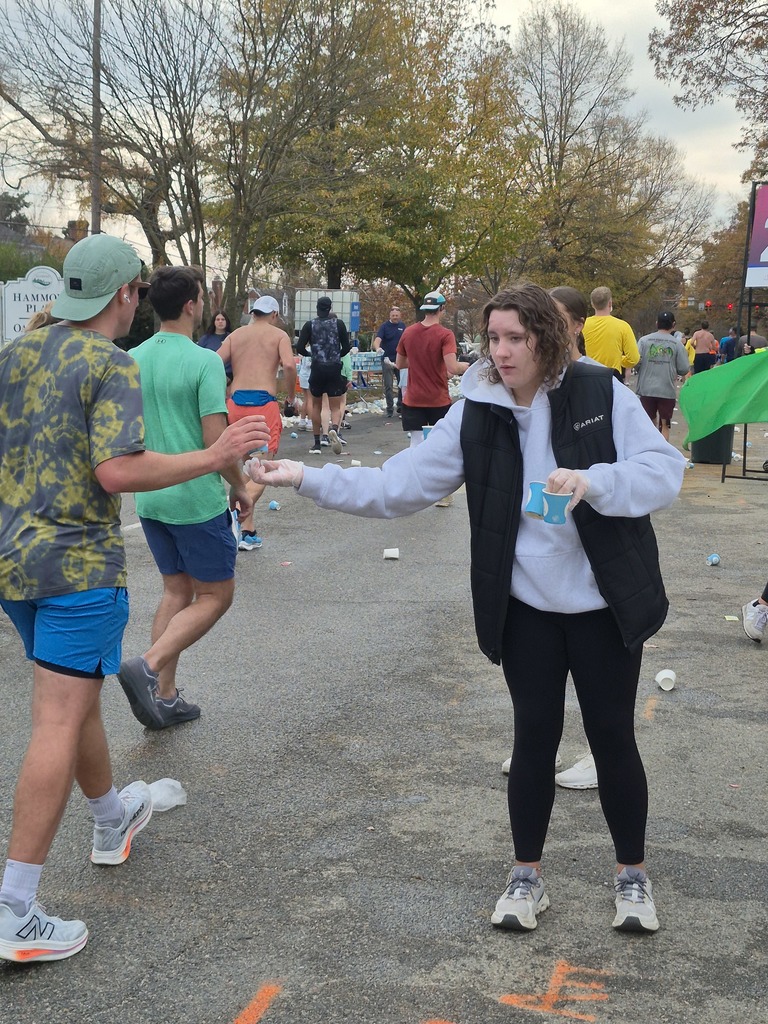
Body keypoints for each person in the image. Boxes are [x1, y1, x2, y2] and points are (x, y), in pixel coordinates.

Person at [246, 283, 686, 935]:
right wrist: (307, 478)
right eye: (495, 339)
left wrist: (596, 483)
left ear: (547, 338)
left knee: (612, 737)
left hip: (604, 602)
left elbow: (663, 470)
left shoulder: (598, 392)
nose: (501, 352)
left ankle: (632, 877)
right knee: (534, 735)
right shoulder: (476, 409)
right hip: (526, 604)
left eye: (516, 339)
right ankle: (526, 877)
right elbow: (400, 485)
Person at [0, 235, 268, 963]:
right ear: (125, 296)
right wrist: (216, 459)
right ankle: (14, 907)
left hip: (15, 563)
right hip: (78, 569)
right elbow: (118, 471)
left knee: (75, 695)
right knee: (56, 719)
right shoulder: (107, 363)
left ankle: (111, 817)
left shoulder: (15, 354)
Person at [118, 266, 262, 730]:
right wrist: (241, 488)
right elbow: (217, 442)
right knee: (216, 595)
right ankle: (150, 664)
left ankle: (164, 696)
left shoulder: (133, 357)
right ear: (190, 305)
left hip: (151, 497)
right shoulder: (203, 362)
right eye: (201, 297)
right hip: (195, 500)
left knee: (176, 590)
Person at [217, 294, 297, 551]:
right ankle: (231, 519)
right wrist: (292, 397)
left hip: (235, 405)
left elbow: (213, 362)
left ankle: (247, 531)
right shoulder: (278, 336)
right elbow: (289, 365)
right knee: (261, 470)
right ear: (274, 315)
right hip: (263, 405)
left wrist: (221, 393)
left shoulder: (236, 335)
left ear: (253, 313)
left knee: (243, 469)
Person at [297, 296, 351, 455]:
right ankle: (334, 429)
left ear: (317, 308)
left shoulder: (310, 325)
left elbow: (300, 347)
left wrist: (311, 354)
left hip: (317, 368)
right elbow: (347, 346)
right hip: (334, 368)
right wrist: (336, 356)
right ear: (330, 308)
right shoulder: (338, 324)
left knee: (316, 406)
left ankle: (316, 443)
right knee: (335, 406)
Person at [634, 312, 691, 441]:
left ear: (656, 323)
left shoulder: (644, 341)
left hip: (646, 389)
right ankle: (663, 453)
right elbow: (683, 369)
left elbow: (636, 362)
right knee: (665, 424)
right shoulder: (677, 345)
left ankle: (649, 450)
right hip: (666, 390)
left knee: (648, 422)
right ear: (674, 325)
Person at [582, 286, 640, 381]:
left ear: (592, 304)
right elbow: (633, 358)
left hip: (587, 375)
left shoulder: (583, 325)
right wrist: (620, 360)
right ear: (610, 303)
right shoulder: (623, 326)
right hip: (612, 376)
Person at [373, 304, 406, 417]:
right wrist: (378, 348)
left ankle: (400, 405)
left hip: (400, 360)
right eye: (393, 315)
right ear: (390, 316)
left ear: (400, 315)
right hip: (387, 360)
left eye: (397, 315)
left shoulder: (403, 326)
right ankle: (390, 408)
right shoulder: (384, 327)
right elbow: (377, 340)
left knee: (402, 384)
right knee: (388, 385)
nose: (395, 317)